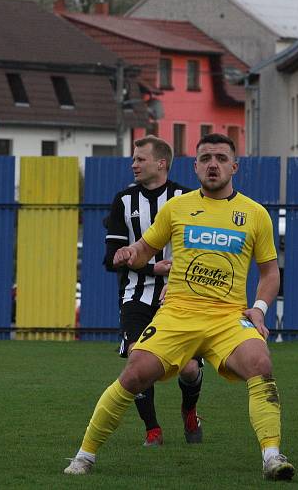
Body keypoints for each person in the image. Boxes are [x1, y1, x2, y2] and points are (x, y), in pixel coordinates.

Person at [65, 133, 294, 481]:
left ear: (235, 166)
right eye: (205, 158)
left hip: (228, 317)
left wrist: (259, 308)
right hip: (179, 312)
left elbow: (269, 273)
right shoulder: (177, 207)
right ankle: (84, 456)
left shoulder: (255, 214)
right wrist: (130, 254)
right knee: (134, 373)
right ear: (195, 166)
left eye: (220, 157)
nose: (212, 164)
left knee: (260, 363)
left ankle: (272, 456)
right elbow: (143, 248)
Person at [103, 136, 204, 447]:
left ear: (161, 163)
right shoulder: (124, 201)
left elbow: (202, 256)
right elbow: (111, 260)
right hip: (136, 295)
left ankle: (189, 411)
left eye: (140, 159)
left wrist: (175, 279)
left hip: (179, 296)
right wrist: (149, 268)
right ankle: (153, 430)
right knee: (138, 359)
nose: (133, 164)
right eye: (133, 159)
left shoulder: (187, 199)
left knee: (187, 369)